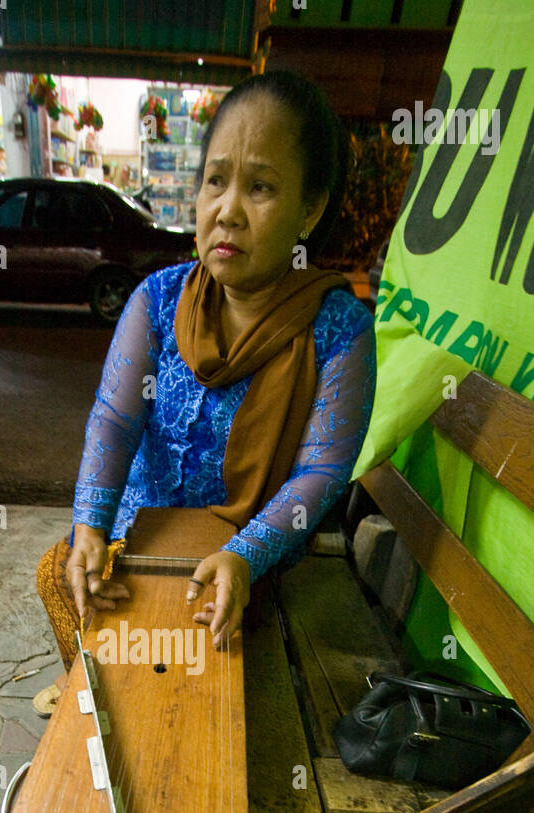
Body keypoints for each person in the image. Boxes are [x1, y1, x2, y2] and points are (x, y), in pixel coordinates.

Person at [37, 70, 376, 668]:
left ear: (310, 208)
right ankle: (89, 696)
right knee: (63, 577)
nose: (228, 212)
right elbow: (115, 421)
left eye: (261, 187)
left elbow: (321, 471)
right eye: (216, 181)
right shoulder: (158, 299)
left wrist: (247, 554)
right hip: (141, 534)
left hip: (250, 552)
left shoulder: (339, 328)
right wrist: (91, 527)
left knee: (208, 658)